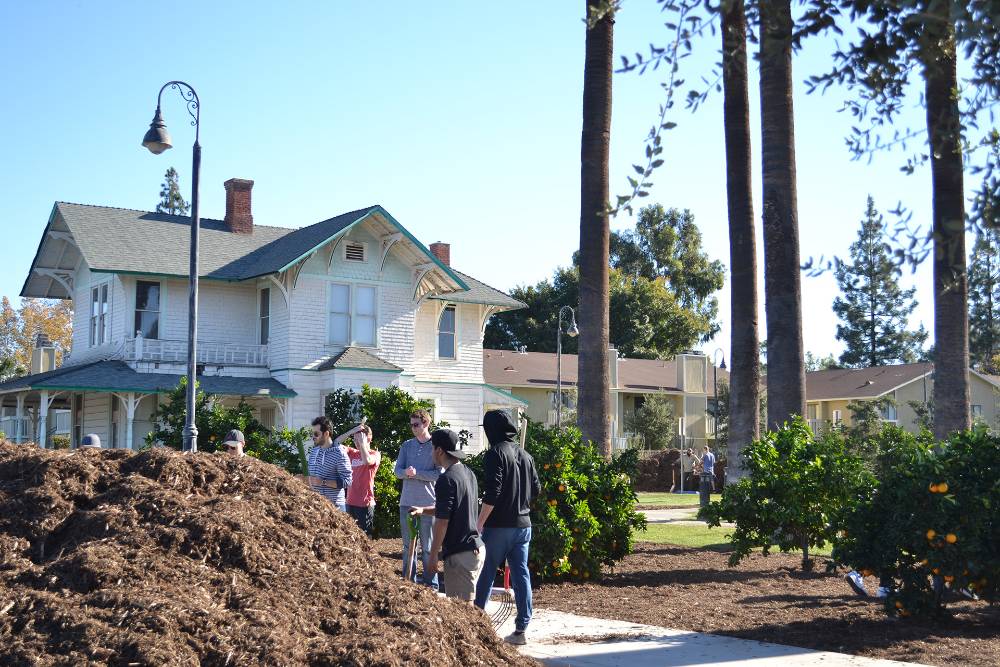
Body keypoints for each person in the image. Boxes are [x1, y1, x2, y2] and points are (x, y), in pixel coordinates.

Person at [474, 410, 541, 646]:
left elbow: (493, 493)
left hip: (499, 526)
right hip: (523, 525)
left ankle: (476, 621)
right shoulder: (526, 455)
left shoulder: (494, 454)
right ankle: (521, 628)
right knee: (521, 574)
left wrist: (479, 523)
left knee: (487, 570)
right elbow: (537, 490)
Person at [410, 429, 484, 601]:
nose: (431, 452)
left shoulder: (446, 479)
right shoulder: (467, 473)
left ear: (439, 451)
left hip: (462, 555)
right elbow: (452, 507)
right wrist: (424, 510)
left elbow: (442, 521)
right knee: (464, 611)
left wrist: (434, 555)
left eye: (432, 448)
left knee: (463, 614)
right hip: (475, 548)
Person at [394, 409, 441, 589]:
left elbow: (439, 474)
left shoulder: (435, 446)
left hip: (429, 504)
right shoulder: (407, 446)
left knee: (428, 548)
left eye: (416, 424)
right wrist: (405, 473)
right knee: (408, 547)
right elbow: (397, 471)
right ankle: (408, 582)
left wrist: (417, 474)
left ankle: (431, 585)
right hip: (407, 503)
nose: (413, 428)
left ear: (426, 424)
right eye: (411, 424)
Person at [338, 423, 381, 536]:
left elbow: (367, 461)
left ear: (369, 438)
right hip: (350, 502)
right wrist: (351, 432)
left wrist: (362, 443)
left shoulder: (375, 454)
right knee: (349, 536)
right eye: (355, 439)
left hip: (365, 504)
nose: (356, 442)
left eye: (359, 439)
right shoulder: (352, 453)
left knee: (365, 538)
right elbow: (335, 444)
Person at [303, 416, 353, 511]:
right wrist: (304, 478)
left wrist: (323, 482)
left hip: (335, 508)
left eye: (316, 434)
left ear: (326, 434)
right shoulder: (314, 451)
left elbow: (347, 481)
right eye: (312, 434)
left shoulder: (340, 453)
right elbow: (312, 478)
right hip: (316, 506)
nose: (313, 437)